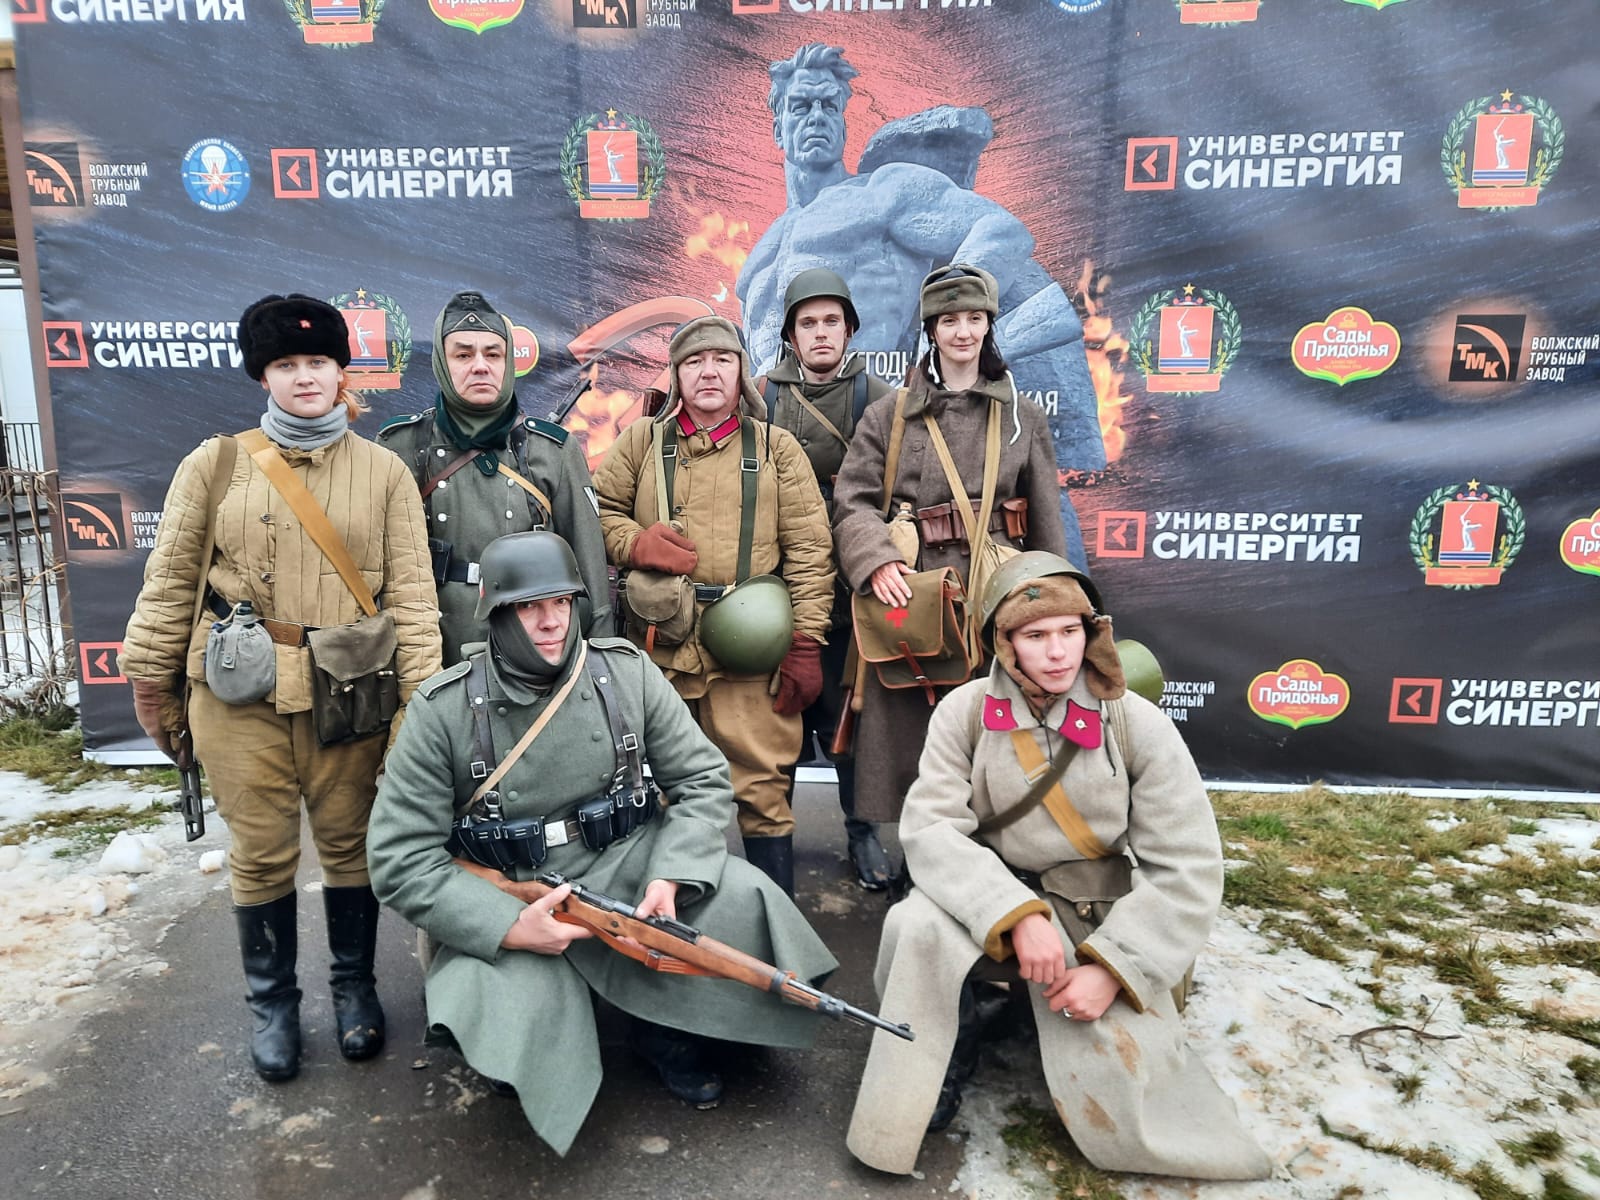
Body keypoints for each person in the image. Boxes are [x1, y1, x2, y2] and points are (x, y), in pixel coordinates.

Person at [366, 531, 838, 1155]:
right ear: (496, 613)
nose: (551, 622)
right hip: (515, 888)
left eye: (561, 602)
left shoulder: (624, 672)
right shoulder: (444, 710)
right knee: (508, 1003)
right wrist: (508, 925)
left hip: (628, 863)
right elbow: (400, 859)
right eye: (529, 607)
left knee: (742, 899)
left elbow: (701, 778)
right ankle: (536, 1043)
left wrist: (671, 874)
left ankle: (663, 1027)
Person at [846, 552, 1272, 1179]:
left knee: (1129, 1091)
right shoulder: (964, 713)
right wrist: (1015, 914)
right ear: (1004, 643)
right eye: (1036, 635)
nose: (1056, 652)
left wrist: (1115, 968)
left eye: (1070, 631)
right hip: (989, 898)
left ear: (1091, 632)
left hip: (1093, 910)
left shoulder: (1136, 722)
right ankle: (943, 1052)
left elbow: (1186, 866)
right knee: (914, 926)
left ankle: (1053, 1011)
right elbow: (932, 830)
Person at [120, 293, 442, 1082]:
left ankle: (355, 988)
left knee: (351, 847)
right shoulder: (214, 464)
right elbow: (171, 582)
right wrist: (151, 681)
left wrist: (419, 703)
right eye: (286, 364)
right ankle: (273, 1005)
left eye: (318, 362)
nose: (304, 377)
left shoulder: (385, 472)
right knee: (260, 856)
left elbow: (413, 599)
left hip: (350, 691)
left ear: (341, 372)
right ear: (262, 376)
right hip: (239, 694)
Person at [735, 43, 1101, 566]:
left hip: (881, 430)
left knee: (910, 595)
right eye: (800, 107)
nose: (816, 117)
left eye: (829, 106)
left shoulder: (884, 193)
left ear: (844, 120)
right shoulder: (760, 256)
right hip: (787, 457)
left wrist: (946, 333)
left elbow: (1001, 232)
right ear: (777, 128)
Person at [592, 316, 835, 895]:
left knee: (763, 789)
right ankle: (666, 918)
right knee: (657, 786)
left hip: (750, 648)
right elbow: (597, 511)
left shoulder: (776, 448)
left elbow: (810, 551)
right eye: (694, 361)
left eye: (722, 360)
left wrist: (805, 643)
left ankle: (772, 920)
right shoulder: (641, 441)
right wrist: (635, 543)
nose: (708, 372)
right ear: (677, 374)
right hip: (659, 649)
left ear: (741, 373)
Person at [831, 265, 1070, 828]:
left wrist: (1055, 606)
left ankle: (990, 848)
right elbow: (852, 502)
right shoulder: (889, 415)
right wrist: (876, 561)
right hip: (915, 592)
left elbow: (1045, 519)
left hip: (995, 592)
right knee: (912, 730)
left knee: (997, 726)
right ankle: (922, 851)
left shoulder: (1022, 417)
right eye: (949, 321)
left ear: (988, 325)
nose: (963, 332)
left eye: (974, 319)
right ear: (931, 330)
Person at [756, 268, 896, 890]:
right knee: (777, 719)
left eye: (831, 321)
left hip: (850, 590)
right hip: (777, 588)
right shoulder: (762, 396)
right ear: (790, 335)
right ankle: (773, 839)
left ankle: (862, 830)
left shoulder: (880, 398)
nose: (820, 333)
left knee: (850, 723)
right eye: (807, 323)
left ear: (849, 329)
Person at [377, 290, 611, 663]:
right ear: (441, 363)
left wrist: (600, 664)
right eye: (463, 355)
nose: (480, 366)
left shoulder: (552, 450)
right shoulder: (402, 444)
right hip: (433, 646)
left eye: (493, 354)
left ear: (508, 362)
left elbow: (591, 575)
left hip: (532, 648)